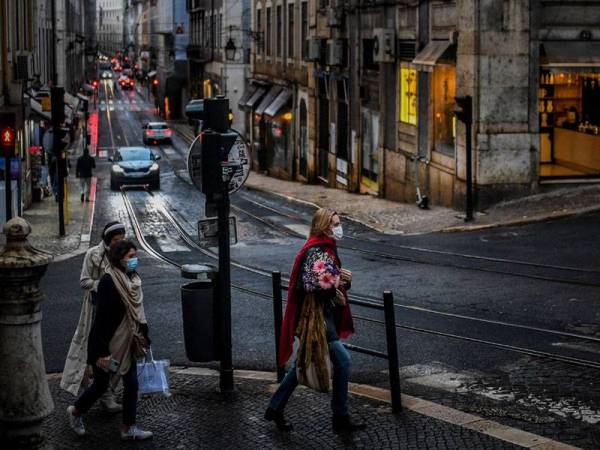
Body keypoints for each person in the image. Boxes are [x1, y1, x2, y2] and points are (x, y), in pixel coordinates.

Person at [265, 208, 366, 433]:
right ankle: (340, 418)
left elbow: (325, 281)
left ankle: (275, 407)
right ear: (324, 226)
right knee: (343, 361)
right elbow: (313, 285)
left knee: (302, 363)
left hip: (322, 316)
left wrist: (341, 281)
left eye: (339, 223)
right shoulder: (316, 251)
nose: (339, 228)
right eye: (335, 224)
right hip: (318, 318)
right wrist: (338, 284)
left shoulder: (323, 248)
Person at [67, 240, 153, 440]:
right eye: (130, 256)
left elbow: (137, 313)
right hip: (107, 345)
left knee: (131, 383)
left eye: (135, 255)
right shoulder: (108, 281)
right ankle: (75, 412)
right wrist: (100, 354)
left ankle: (128, 428)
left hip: (127, 342)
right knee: (101, 385)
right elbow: (102, 319)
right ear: (119, 258)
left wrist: (145, 336)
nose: (134, 260)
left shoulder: (132, 278)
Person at [61, 221, 127, 412]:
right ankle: (91, 389)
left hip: (116, 310)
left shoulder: (122, 253)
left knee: (117, 352)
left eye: (122, 239)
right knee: (92, 351)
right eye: (116, 240)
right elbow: (84, 281)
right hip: (95, 309)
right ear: (107, 240)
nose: (119, 243)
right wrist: (104, 285)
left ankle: (108, 393)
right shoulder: (93, 255)